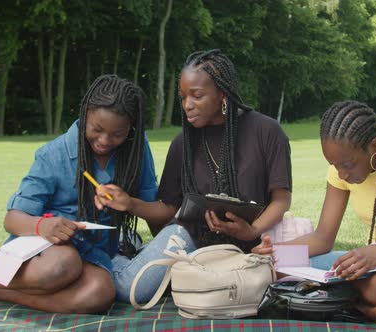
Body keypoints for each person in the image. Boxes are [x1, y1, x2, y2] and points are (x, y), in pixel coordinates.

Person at [0, 74, 167, 313]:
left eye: (117, 134)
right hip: (41, 251)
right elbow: (12, 219)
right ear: (84, 114)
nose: (104, 140)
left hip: (93, 253)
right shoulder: (53, 154)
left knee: (100, 294)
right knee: (62, 265)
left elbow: (153, 207)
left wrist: (130, 203)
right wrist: (43, 226)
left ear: (131, 129)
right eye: (96, 129)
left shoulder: (135, 151)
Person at [94, 49, 293, 299]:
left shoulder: (267, 131)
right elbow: (169, 207)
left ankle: (141, 254)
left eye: (196, 96)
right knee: (130, 289)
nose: (187, 105)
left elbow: (281, 199)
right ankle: (111, 258)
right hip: (189, 236)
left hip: (251, 241)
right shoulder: (182, 143)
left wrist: (252, 231)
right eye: (183, 96)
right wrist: (130, 204)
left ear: (222, 93)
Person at [252, 100, 376, 325]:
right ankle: (361, 306)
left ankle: (338, 298)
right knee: (276, 267)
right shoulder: (341, 167)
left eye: (348, 165)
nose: (342, 174)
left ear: (374, 147)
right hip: (368, 268)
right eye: (334, 165)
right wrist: (274, 253)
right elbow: (322, 238)